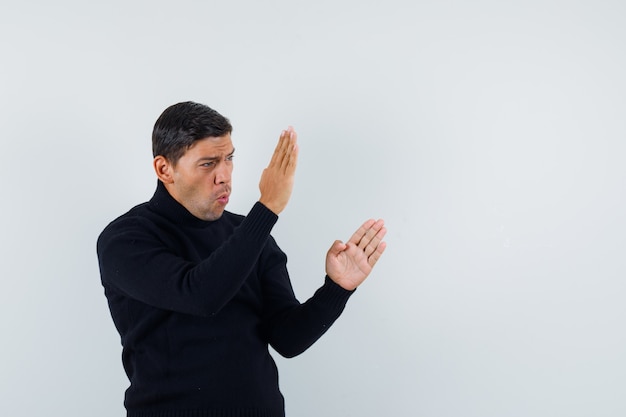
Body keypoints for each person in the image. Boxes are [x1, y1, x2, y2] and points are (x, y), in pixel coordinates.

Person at [97, 101, 387, 417]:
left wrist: (336, 289)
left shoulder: (249, 234)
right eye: (208, 163)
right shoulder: (125, 239)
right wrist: (267, 208)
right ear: (165, 169)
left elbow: (288, 340)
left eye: (229, 158)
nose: (224, 176)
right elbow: (201, 295)